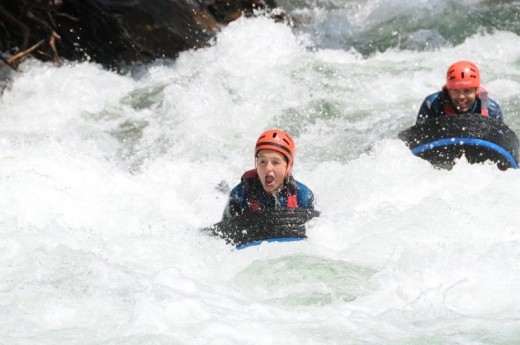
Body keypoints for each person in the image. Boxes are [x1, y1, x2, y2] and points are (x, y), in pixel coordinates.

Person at [222, 129, 315, 221]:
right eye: (262, 161)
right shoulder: (240, 195)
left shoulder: (303, 196)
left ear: (288, 166)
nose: (267, 168)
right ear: (256, 164)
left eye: (275, 162)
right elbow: (222, 232)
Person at [416, 60, 503, 125]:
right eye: (456, 91)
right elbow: (418, 137)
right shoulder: (432, 104)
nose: (461, 96)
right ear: (449, 91)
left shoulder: (492, 109)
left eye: (467, 91)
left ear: (477, 90)